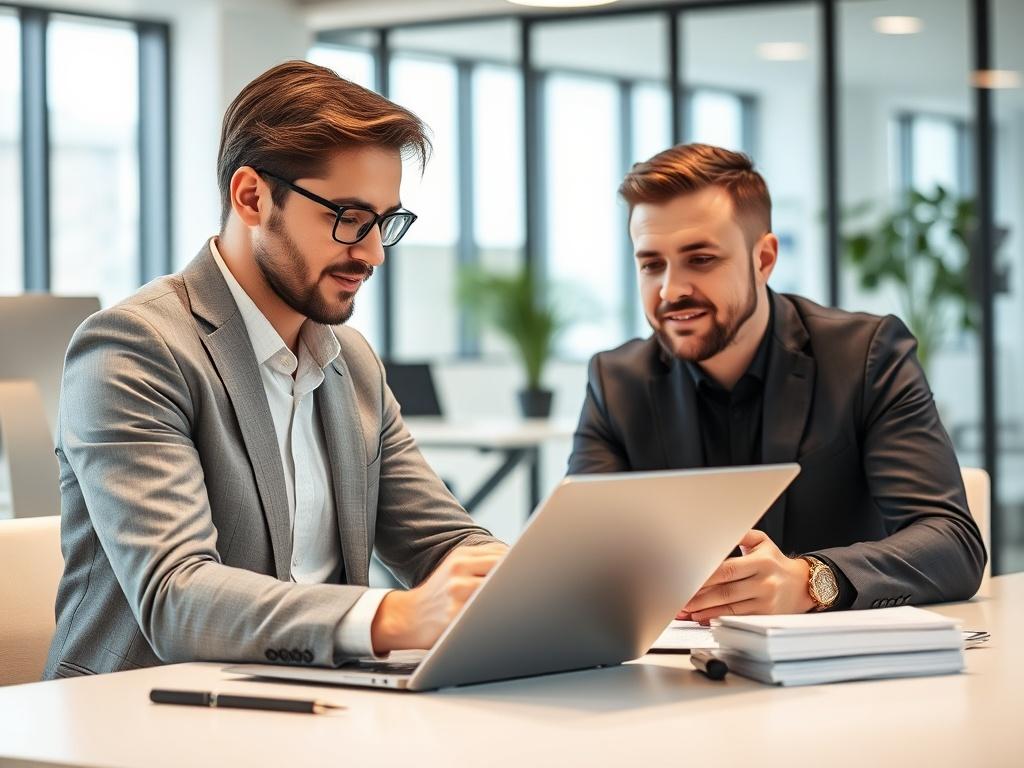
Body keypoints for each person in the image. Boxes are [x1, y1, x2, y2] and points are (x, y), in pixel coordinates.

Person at [44, 61, 506, 679]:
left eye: (384, 222)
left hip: (318, 702)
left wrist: (535, 583)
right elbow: (176, 597)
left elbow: (443, 543)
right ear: (252, 197)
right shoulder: (136, 348)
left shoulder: (353, 364)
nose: (372, 252)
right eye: (348, 217)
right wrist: (392, 617)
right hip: (142, 709)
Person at [568, 143, 985, 621]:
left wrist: (811, 580)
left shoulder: (866, 357)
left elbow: (952, 542)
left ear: (763, 259)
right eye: (651, 264)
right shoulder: (616, 382)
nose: (671, 290)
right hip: (673, 660)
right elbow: (579, 556)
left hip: (839, 660)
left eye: (700, 259)